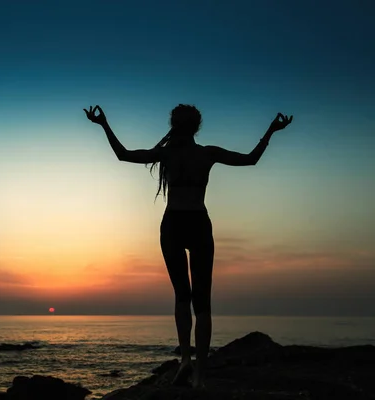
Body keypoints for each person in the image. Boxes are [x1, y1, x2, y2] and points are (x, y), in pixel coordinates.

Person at [83, 104, 293, 388]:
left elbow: (124, 155)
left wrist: (104, 124)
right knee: (201, 302)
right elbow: (251, 159)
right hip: (198, 224)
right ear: (197, 126)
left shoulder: (167, 153)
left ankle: (185, 361)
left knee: (182, 297)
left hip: (172, 225)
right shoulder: (207, 153)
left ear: (174, 124)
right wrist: (271, 130)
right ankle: (199, 375)